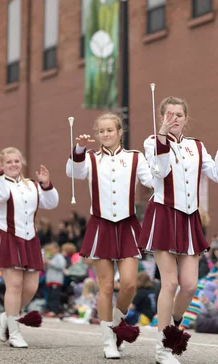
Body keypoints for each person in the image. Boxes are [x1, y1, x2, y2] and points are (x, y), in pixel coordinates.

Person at [138, 96, 218, 364]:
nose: (174, 118)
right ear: (161, 117)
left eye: (179, 114)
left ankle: (174, 325)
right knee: (169, 282)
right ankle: (163, 347)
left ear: (186, 118)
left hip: (189, 218)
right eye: (169, 114)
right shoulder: (152, 142)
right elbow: (158, 171)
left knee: (191, 285)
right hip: (162, 215)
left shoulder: (197, 147)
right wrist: (161, 138)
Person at [66, 112, 153, 359]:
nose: (105, 134)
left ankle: (117, 324)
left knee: (129, 284)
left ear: (119, 132)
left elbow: (153, 180)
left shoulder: (135, 158)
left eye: (110, 130)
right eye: (101, 131)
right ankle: (108, 341)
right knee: (105, 287)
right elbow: (73, 172)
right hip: (100, 225)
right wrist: (79, 149)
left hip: (127, 225)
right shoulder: (91, 159)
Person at [0, 147, 59, 347]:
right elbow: (0, 196)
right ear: (2, 165)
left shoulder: (32, 185)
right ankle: (14, 332)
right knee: (14, 286)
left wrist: (46, 184)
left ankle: (6, 318)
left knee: (31, 287)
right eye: (9, 162)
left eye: (16, 161)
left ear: (22, 163)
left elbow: (51, 203)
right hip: (7, 235)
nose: (13, 165)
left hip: (30, 238)